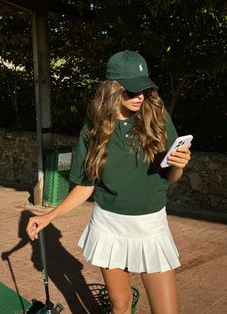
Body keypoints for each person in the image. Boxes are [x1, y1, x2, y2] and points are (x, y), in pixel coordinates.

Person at [26, 50, 191, 314]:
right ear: (113, 90)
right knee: (120, 306)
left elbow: (170, 176)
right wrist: (49, 216)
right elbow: (85, 185)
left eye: (144, 90)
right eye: (132, 91)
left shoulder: (158, 120)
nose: (140, 97)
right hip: (110, 226)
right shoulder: (93, 129)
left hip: (151, 226)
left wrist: (179, 166)